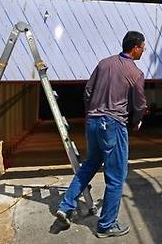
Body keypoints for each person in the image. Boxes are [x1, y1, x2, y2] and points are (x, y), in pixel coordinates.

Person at [56, 31, 147, 238]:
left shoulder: (104, 63)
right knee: (116, 176)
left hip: (94, 122)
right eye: (143, 47)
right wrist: (136, 121)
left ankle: (66, 205)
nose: (144, 50)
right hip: (113, 124)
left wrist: (92, 114)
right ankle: (106, 225)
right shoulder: (135, 73)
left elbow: (88, 91)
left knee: (89, 165)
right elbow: (140, 104)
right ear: (135, 48)